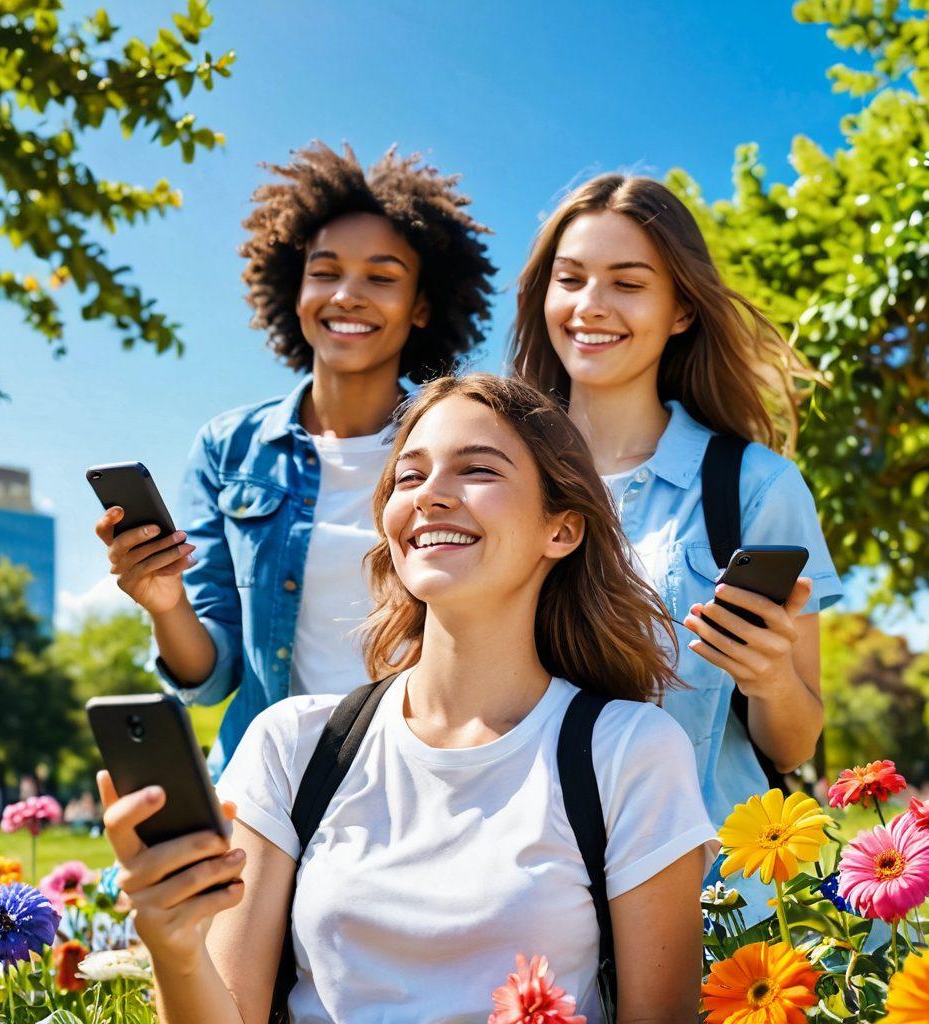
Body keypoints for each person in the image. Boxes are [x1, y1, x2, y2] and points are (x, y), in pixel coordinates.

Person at [98, 374, 716, 1023]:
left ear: (560, 531)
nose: (431, 496)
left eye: (477, 469)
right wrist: (172, 942)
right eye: (408, 477)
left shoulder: (631, 752)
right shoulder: (292, 747)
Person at [94, 143, 495, 778]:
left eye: (382, 277)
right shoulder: (228, 452)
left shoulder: (469, 449)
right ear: (296, 287)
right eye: (325, 270)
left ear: (421, 306)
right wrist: (164, 601)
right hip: (266, 791)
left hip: (421, 782)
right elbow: (207, 676)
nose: (348, 295)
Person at [511, 174, 844, 922]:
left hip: (713, 907)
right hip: (529, 899)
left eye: (628, 284)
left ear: (682, 308)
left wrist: (770, 679)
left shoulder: (757, 487)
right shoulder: (497, 476)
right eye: (570, 280)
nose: (591, 305)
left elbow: (790, 745)